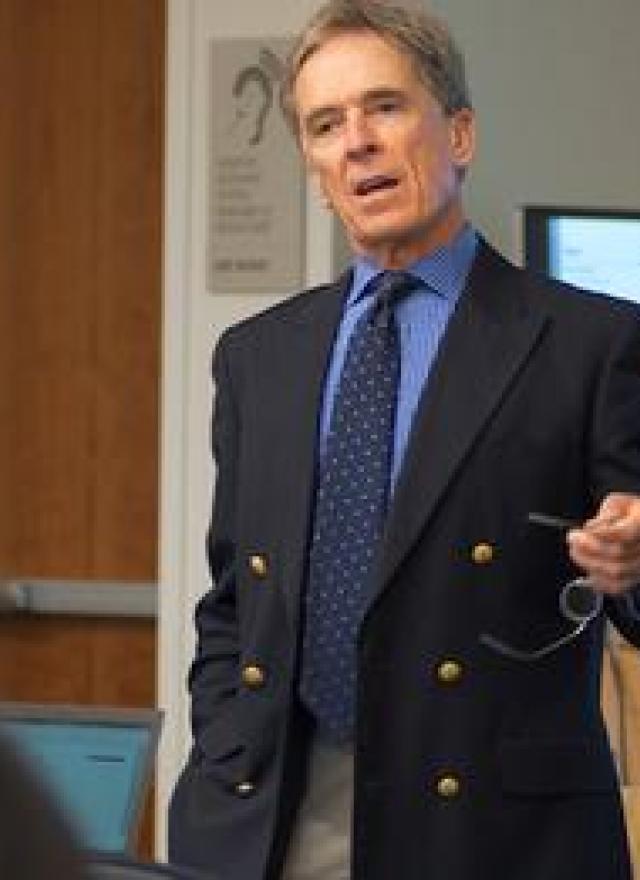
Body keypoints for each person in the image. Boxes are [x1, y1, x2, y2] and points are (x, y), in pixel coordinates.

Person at [169, 2, 640, 878]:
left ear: (459, 133)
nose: (357, 142)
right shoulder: (257, 358)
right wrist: (225, 743)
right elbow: (235, 602)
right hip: (275, 822)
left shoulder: (592, 344)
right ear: (314, 167)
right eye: (326, 124)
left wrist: (634, 561)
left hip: (493, 837)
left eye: (384, 107)